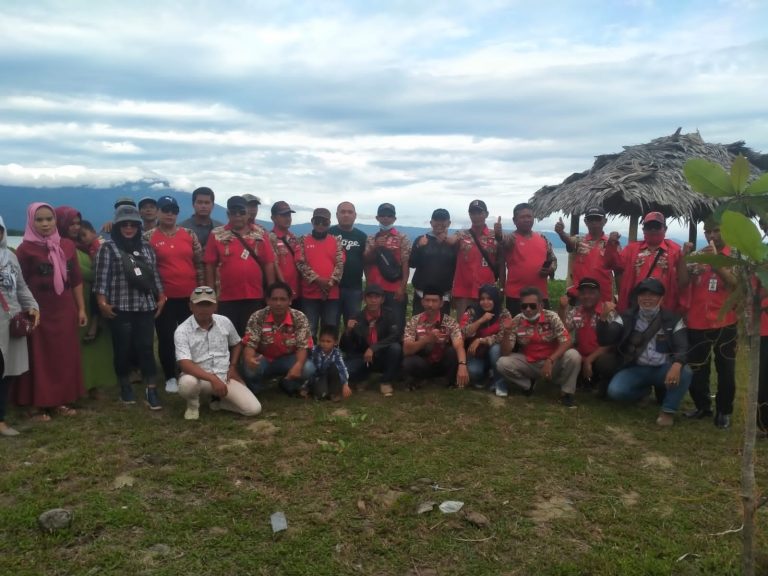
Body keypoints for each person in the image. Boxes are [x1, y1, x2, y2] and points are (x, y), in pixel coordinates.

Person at [14, 203, 87, 419]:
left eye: (49, 219)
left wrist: (81, 308)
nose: (45, 224)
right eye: (39, 220)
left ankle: (59, 400)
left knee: (62, 355)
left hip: (64, 308)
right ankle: (36, 404)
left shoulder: (66, 246)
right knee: (38, 357)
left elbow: (75, 280)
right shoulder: (25, 249)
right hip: (36, 310)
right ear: (31, 222)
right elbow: (20, 283)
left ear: (55, 220)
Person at [94, 204, 166, 409]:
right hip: (120, 307)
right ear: (117, 227)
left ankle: (151, 389)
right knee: (122, 349)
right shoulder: (107, 248)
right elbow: (102, 279)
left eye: (132, 225)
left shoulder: (146, 248)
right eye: (124, 224)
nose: (128, 228)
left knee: (145, 348)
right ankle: (125, 386)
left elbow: (154, 277)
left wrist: (161, 297)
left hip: (144, 306)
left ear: (138, 226)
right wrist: (102, 303)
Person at [597, 278, 692, 426]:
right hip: (635, 368)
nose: (647, 298)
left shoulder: (673, 320)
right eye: (643, 294)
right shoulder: (626, 317)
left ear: (661, 298)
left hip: (663, 369)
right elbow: (606, 339)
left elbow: (682, 346)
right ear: (637, 298)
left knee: (685, 371)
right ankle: (643, 392)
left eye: (653, 295)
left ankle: (668, 411)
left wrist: (677, 364)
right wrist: (603, 319)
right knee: (615, 392)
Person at [175, 286, 261, 420]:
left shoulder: (224, 321)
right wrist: (212, 378)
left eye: (208, 305)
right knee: (187, 384)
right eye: (199, 305)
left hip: (224, 376)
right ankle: (192, 404)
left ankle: (219, 402)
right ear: (190, 306)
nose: (203, 309)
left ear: (215, 306)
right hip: (199, 378)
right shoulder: (182, 330)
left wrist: (232, 367)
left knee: (253, 409)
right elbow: (184, 364)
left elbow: (237, 343)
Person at [145, 195, 204, 393]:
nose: (170, 214)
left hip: (190, 296)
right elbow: (147, 268)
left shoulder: (189, 234)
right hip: (164, 298)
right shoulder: (149, 236)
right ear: (158, 212)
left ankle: (188, 371)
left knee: (192, 336)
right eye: (165, 210)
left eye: (173, 211)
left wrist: (202, 290)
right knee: (166, 337)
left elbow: (199, 263)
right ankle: (170, 375)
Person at [56, 206, 114, 399]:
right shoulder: (60, 246)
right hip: (74, 301)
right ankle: (77, 385)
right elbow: (78, 273)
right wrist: (99, 273)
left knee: (95, 344)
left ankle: (93, 384)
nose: (75, 228)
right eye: (71, 224)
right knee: (78, 345)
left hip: (93, 299)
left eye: (78, 224)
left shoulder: (86, 247)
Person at [684, 220, 737, 428]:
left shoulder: (735, 256)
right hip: (697, 319)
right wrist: (688, 267)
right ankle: (702, 406)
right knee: (698, 368)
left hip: (726, 321)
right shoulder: (699, 256)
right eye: (708, 232)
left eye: (716, 231)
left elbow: (734, 284)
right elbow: (684, 280)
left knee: (725, 369)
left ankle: (724, 411)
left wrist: (716, 263)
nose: (712, 235)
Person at [204, 195, 276, 336]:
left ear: (248, 213)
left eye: (241, 212)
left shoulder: (260, 234)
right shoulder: (217, 234)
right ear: (228, 214)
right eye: (233, 212)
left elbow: (268, 263)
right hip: (225, 297)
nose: (238, 216)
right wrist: (210, 296)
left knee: (252, 337)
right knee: (227, 337)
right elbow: (209, 266)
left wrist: (271, 292)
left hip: (254, 296)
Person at [496, 286, 579, 406]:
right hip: (530, 363)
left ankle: (566, 392)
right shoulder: (517, 320)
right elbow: (505, 352)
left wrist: (550, 360)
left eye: (532, 306)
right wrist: (507, 332)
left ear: (540, 306)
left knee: (574, 355)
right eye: (524, 306)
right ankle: (527, 385)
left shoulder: (551, 317)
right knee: (502, 363)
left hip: (552, 362)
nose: (528, 309)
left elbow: (567, 341)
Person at [0, 215, 39, 435]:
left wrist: (33, 306)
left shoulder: (10, 258)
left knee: (8, 372)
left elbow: (21, 287)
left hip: (11, 321)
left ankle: (1, 419)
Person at [605, 211, 689, 313]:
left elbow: (683, 283)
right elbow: (613, 265)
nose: (653, 229)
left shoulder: (675, 251)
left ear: (665, 229)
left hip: (665, 307)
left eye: (657, 226)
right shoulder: (631, 249)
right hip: (636, 307)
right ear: (643, 229)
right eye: (649, 226)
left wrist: (684, 257)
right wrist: (611, 245)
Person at [242, 281, 316, 396]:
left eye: (283, 299)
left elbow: (303, 346)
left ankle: (287, 384)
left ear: (290, 300)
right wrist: (249, 358)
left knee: (308, 368)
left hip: (288, 359)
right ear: (267, 301)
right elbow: (250, 343)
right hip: (264, 359)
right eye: (274, 299)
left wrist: (299, 364)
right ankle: (256, 388)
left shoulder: (299, 317)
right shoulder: (257, 316)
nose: (278, 303)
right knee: (249, 367)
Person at [559, 278, 621, 397]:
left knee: (605, 363)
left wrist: (589, 360)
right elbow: (563, 332)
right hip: (582, 354)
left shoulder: (608, 311)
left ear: (599, 294)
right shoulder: (575, 311)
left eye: (591, 293)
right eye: (583, 293)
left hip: (600, 356)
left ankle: (601, 381)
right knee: (567, 350)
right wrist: (562, 309)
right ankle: (583, 381)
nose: (587, 296)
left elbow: (611, 343)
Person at [402, 286, 470, 391]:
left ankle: (449, 380)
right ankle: (419, 379)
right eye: (427, 300)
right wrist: (426, 340)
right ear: (422, 302)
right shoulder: (414, 321)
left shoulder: (449, 321)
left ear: (441, 303)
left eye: (434, 301)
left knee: (452, 351)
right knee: (408, 361)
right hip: (423, 363)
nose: (430, 305)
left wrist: (462, 365)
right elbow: (406, 350)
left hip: (441, 362)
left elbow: (459, 345)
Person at [340, 283, 402, 396]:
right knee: (346, 370)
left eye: (377, 297)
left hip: (383, 355)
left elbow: (395, 336)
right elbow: (345, 347)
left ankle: (385, 381)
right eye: (370, 297)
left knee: (396, 348)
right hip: (363, 357)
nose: (373, 300)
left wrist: (373, 348)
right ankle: (364, 378)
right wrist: (348, 332)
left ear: (382, 299)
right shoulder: (356, 317)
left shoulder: (390, 315)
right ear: (364, 299)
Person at [496, 203, 557, 315]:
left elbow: (553, 260)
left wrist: (550, 269)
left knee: (543, 330)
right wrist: (498, 235)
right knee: (516, 330)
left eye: (529, 216)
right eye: (522, 217)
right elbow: (502, 241)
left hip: (540, 295)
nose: (526, 220)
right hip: (515, 296)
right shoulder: (511, 238)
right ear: (514, 220)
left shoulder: (543, 239)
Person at [554, 206, 619, 305]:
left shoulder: (611, 243)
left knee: (603, 320)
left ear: (604, 221)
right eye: (590, 219)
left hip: (604, 297)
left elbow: (618, 269)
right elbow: (569, 242)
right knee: (577, 320)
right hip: (581, 296)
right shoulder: (579, 240)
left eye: (597, 219)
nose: (594, 222)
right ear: (585, 221)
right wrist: (561, 233)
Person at [296, 208, 344, 338]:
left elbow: (340, 264)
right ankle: (309, 357)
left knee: (329, 329)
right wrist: (318, 280)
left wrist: (330, 282)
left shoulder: (336, 241)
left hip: (331, 293)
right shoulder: (302, 240)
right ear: (312, 221)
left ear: (329, 223)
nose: (321, 225)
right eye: (317, 221)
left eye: (324, 222)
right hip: (309, 294)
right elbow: (300, 263)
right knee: (309, 329)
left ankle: (328, 357)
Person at [363, 203, 410, 332]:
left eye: (389, 216)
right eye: (383, 215)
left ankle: (396, 350)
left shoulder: (402, 238)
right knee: (375, 324)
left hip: (395, 289)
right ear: (377, 218)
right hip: (376, 289)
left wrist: (402, 287)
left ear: (394, 219)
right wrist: (375, 247)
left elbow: (405, 264)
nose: (386, 218)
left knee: (396, 323)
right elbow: (366, 261)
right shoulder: (371, 238)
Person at [452, 200, 499, 321]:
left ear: (486, 214)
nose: (476, 216)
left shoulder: (496, 236)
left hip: (487, 292)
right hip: (464, 291)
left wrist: (502, 288)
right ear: (469, 215)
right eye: (473, 213)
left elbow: (502, 263)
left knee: (485, 327)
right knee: (463, 328)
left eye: (480, 212)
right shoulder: (462, 235)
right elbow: (450, 241)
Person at [460, 284, 511, 395]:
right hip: (477, 352)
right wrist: (480, 320)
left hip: (495, 351)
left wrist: (481, 340)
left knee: (495, 349)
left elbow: (502, 336)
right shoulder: (471, 311)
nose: (485, 302)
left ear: (495, 299)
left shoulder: (504, 313)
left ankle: (499, 382)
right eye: (482, 299)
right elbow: (463, 332)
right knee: (474, 372)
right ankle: (487, 376)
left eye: (489, 299)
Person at [410, 208, 456, 315]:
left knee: (441, 329)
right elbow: (412, 264)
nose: (439, 223)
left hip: (443, 296)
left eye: (443, 220)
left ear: (448, 223)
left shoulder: (453, 244)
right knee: (419, 328)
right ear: (431, 222)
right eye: (436, 220)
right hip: (422, 295)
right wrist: (418, 247)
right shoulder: (421, 239)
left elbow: (458, 269)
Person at [330, 201, 367, 327]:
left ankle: (350, 347)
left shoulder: (362, 237)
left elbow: (366, 262)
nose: (346, 215)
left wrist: (367, 286)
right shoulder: (329, 234)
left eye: (350, 212)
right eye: (343, 212)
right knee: (330, 325)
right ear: (337, 215)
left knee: (353, 326)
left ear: (355, 215)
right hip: (332, 288)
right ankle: (331, 347)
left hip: (354, 289)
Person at [269, 201, 302, 303]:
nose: (287, 218)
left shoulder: (293, 238)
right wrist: (285, 289)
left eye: (289, 215)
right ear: (273, 218)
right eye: (283, 215)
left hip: (298, 292)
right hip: (281, 295)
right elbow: (274, 266)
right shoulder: (270, 238)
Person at [308, 325, 351, 401]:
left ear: (335, 342)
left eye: (328, 341)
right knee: (321, 395)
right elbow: (311, 372)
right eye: (322, 341)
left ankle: (334, 393)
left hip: (331, 377)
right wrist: (306, 386)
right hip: (318, 377)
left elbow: (342, 369)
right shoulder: (314, 351)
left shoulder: (337, 353)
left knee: (335, 368)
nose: (325, 344)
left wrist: (345, 384)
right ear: (319, 340)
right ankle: (319, 391)